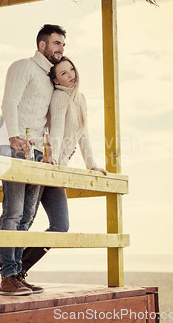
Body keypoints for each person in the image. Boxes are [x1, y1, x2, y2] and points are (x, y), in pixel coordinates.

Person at [19, 56, 107, 276]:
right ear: (56, 80)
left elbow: (83, 134)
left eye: (72, 70)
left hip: (60, 168)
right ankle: (12, 272)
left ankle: (20, 268)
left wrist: (92, 165)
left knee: (60, 226)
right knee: (25, 219)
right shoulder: (59, 97)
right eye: (64, 74)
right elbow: (56, 130)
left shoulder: (80, 98)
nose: (71, 75)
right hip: (50, 166)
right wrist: (54, 159)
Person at [0, 24, 66, 296]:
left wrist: (50, 152)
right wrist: (13, 135)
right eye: (57, 43)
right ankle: (7, 277)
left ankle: (16, 274)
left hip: (37, 152)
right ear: (42, 45)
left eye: (63, 44)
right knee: (12, 213)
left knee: (27, 216)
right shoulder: (22, 66)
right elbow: (9, 102)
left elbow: (46, 121)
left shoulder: (49, 80)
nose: (61, 49)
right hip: (13, 146)